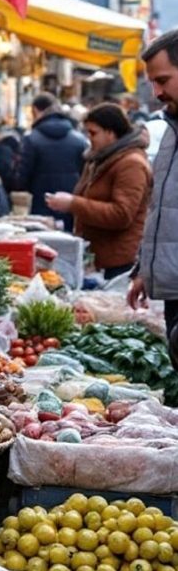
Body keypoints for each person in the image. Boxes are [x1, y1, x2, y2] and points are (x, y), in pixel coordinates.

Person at [44, 103, 151, 280]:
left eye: (93, 133)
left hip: (118, 263)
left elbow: (122, 214)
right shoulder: (98, 158)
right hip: (97, 258)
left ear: (110, 133)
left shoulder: (131, 164)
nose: (89, 138)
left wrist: (73, 204)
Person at [129, 29, 178, 341]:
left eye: (163, 80)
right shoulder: (171, 131)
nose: (157, 92)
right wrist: (145, 268)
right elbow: (163, 208)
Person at [15, 93, 89, 231]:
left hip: (41, 201)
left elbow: (22, 176)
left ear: (36, 111)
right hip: (71, 202)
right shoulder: (79, 139)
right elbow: (86, 173)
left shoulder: (31, 139)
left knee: (43, 242)